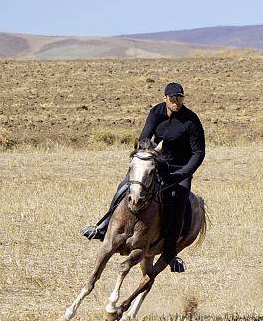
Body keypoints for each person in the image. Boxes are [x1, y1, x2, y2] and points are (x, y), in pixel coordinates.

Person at [82, 82, 205, 271]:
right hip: (156, 163)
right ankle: (103, 226)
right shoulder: (156, 112)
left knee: (179, 202)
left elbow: (198, 153)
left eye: (180, 98)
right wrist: (145, 154)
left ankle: (171, 253)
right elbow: (145, 137)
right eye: (173, 98)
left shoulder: (191, 120)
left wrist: (183, 173)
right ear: (165, 98)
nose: (176, 102)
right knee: (125, 185)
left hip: (180, 169)